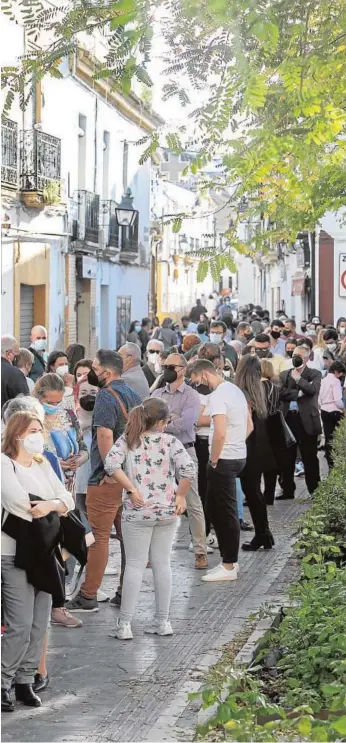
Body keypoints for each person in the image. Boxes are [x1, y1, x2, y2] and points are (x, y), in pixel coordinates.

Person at [104, 398, 195, 639]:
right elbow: (188, 469)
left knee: (134, 565)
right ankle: (163, 621)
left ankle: (124, 625)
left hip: (137, 511)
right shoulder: (171, 441)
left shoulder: (129, 440)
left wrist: (131, 489)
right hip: (167, 510)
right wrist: (181, 496)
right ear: (162, 422)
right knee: (162, 564)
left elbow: (110, 464)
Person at [1, 411, 74, 711]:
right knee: (18, 623)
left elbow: (66, 499)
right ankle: (3, 681)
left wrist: (50, 505)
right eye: (32, 430)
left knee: (39, 622)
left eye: (40, 430)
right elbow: (19, 503)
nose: (37, 435)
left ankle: (24, 680)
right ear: (17, 433)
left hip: (44, 551)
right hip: (12, 552)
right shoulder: (4, 463)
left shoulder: (43, 463)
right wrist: (51, 505)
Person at [66, 350, 141, 613]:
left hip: (107, 478)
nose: (90, 373)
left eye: (94, 368)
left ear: (106, 373)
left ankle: (87, 596)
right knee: (128, 539)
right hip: (130, 478)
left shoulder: (106, 398)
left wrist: (110, 471)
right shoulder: (133, 395)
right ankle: (124, 591)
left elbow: (105, 438)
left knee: (98, 538)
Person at [190, 359, 247, 580]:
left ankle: (229, 565)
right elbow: (248, 424)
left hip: (223, 459)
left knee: (225, 513)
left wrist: (214, 459)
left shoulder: (218, 395)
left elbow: (220, 431)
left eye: (196, 380)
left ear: (204, 375)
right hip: (235, 455)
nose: (196, 385)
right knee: (214, 508)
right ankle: (227, 561)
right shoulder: (235, 391)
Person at [152, 353, 208, 569]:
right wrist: (171, 419)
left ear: (183, 369)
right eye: (165, 366)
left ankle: (200, 551)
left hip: (185, 451)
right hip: (160, 453)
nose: (166, 369)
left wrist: (164, 423)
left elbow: (187, 423)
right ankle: (153, 552)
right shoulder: (157, 393)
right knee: (156, 501)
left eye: (171, 366)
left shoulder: (192, 395)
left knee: (193, 502)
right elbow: (148, 419)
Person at [235, 356, 275, 550]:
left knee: (251, 493)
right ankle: (264, 533)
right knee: (254, 493)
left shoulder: (242, 393)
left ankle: (262, 534)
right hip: (260, 447)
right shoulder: (259, 390)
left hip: (247, 448)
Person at [278, 339, 322, 498]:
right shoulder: (284, 374)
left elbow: (312, 390)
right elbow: (280, 393)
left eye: (300, 356)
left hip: (307, 421)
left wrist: (299, 380)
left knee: (309, 456)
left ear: (307, 358)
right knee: (286, 457)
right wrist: (298, 394)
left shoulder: (314, 373)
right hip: (288, 419)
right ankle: (287, 490)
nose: (296, 358)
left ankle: (315, 491)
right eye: (294, 355)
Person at [318, 360, 345, 469]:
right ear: (337, 371)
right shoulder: (335, 381)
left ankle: (329, 458)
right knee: (337, 436)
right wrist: (344, 410)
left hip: (324, 410)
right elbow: (338, 400)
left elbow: (319, 399)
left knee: (328, 435)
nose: (341, 376)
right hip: (335, 410)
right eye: (341, 373)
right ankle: (337, 458)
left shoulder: (323, 380)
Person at [1, 335, 29, 407]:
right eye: (17, 354)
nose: (18, 358)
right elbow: (25, 403)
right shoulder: (14, 373)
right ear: (9, 354)